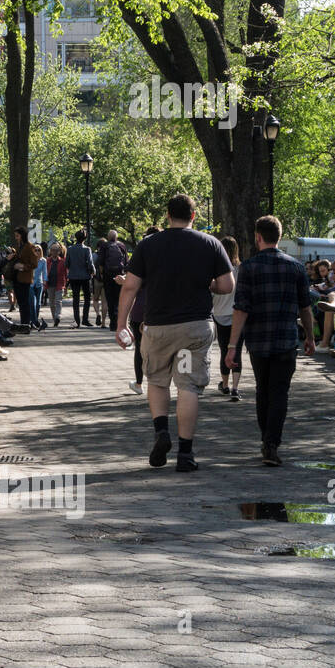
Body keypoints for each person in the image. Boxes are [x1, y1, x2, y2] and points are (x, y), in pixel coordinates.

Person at [115, 194, 234, 472]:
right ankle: (186, 454)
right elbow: (227, 285)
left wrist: (121, 324)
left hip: (158, 328)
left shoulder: (148, 245)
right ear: (194, 216)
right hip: (194, 328)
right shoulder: (210, 244)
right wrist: (210, 287)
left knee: (157, 381)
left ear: (167, 215)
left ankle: (161, 431)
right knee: (187, 386)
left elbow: (130, 286)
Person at [226, 216, 317, 466]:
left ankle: (266, 438)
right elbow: (305, 307)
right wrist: (309, 337)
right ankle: (272, 442)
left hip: (258, 341)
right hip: (286, 340)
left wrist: (232, 345)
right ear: (279, 236)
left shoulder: (249, 268)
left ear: (258, 237)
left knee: (262, 390)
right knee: (280, 393)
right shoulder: (296, 267)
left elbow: (241, 308)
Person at [124, 227, 158, 394]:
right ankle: (157, 382)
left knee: (140, 349)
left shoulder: (141, 257)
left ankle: (139, 383)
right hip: (160, 311)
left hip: (140, 310)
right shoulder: (165, 259)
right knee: (157, 348)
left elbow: (132, 286)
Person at [211, 236, 244, 401]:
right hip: (238, 314)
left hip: (219, 313)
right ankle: (236, 387)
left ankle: (224, 385)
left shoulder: (216, 269)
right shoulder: (241, 269)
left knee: (225, 349)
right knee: (237, 349)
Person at [97, 230, 130, 331]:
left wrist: (102, 274)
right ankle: (119, 321)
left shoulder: (104, 246)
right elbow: (126, 262)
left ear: (108, 237)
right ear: (117, 237)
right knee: (119, 299)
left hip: (108, 276)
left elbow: (101, 262)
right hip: (120, 275)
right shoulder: (122, 246)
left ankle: (113, 323)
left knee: (110, 299)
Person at [65, 231, 96, 327]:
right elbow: (90, 263)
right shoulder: (87, 249)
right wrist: (93, 271)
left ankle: (77, 320)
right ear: (85, 238)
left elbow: (66, 263)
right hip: (85, 276)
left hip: (73, 276)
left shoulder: (70, 249)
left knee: (76, 298)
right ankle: (85, 319)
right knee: (87, 298)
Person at [45, 242, 68, 327]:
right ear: (50, 251)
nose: (54, 252)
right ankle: (55, 320)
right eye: (52, 250)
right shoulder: (47, 261)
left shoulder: (62, 261)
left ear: (59, 251)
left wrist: (66, 286)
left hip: (60, 284)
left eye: (56, 250)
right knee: (51, 303)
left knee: (58, 301)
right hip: (50, 284)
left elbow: (66, 274)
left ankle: (58, 316)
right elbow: (44, 273)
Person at [30, 244, 48, 331]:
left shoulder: (43, 260)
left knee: (38, 304)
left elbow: (45, 272)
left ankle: (35, 321)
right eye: (35, 250)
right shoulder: (30, 260)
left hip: (39, 284)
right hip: (30, 284)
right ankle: (34, 321)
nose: (37, 251)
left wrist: (45, 281)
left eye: (38, 250)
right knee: (33, 302)